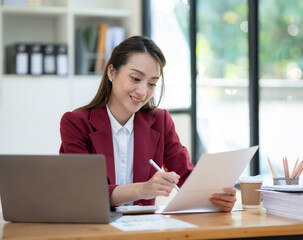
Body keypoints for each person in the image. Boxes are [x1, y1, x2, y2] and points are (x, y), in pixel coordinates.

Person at [59, 36, 236, 211]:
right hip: (95, 229)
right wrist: (144, 189)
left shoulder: (160, 121)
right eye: (135, 78)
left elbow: (187, 177)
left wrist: (217, 196)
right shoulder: (76, 123)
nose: (143, 92)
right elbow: (83, 191)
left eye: (152, 83)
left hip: (143, 230)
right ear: (112, 72)